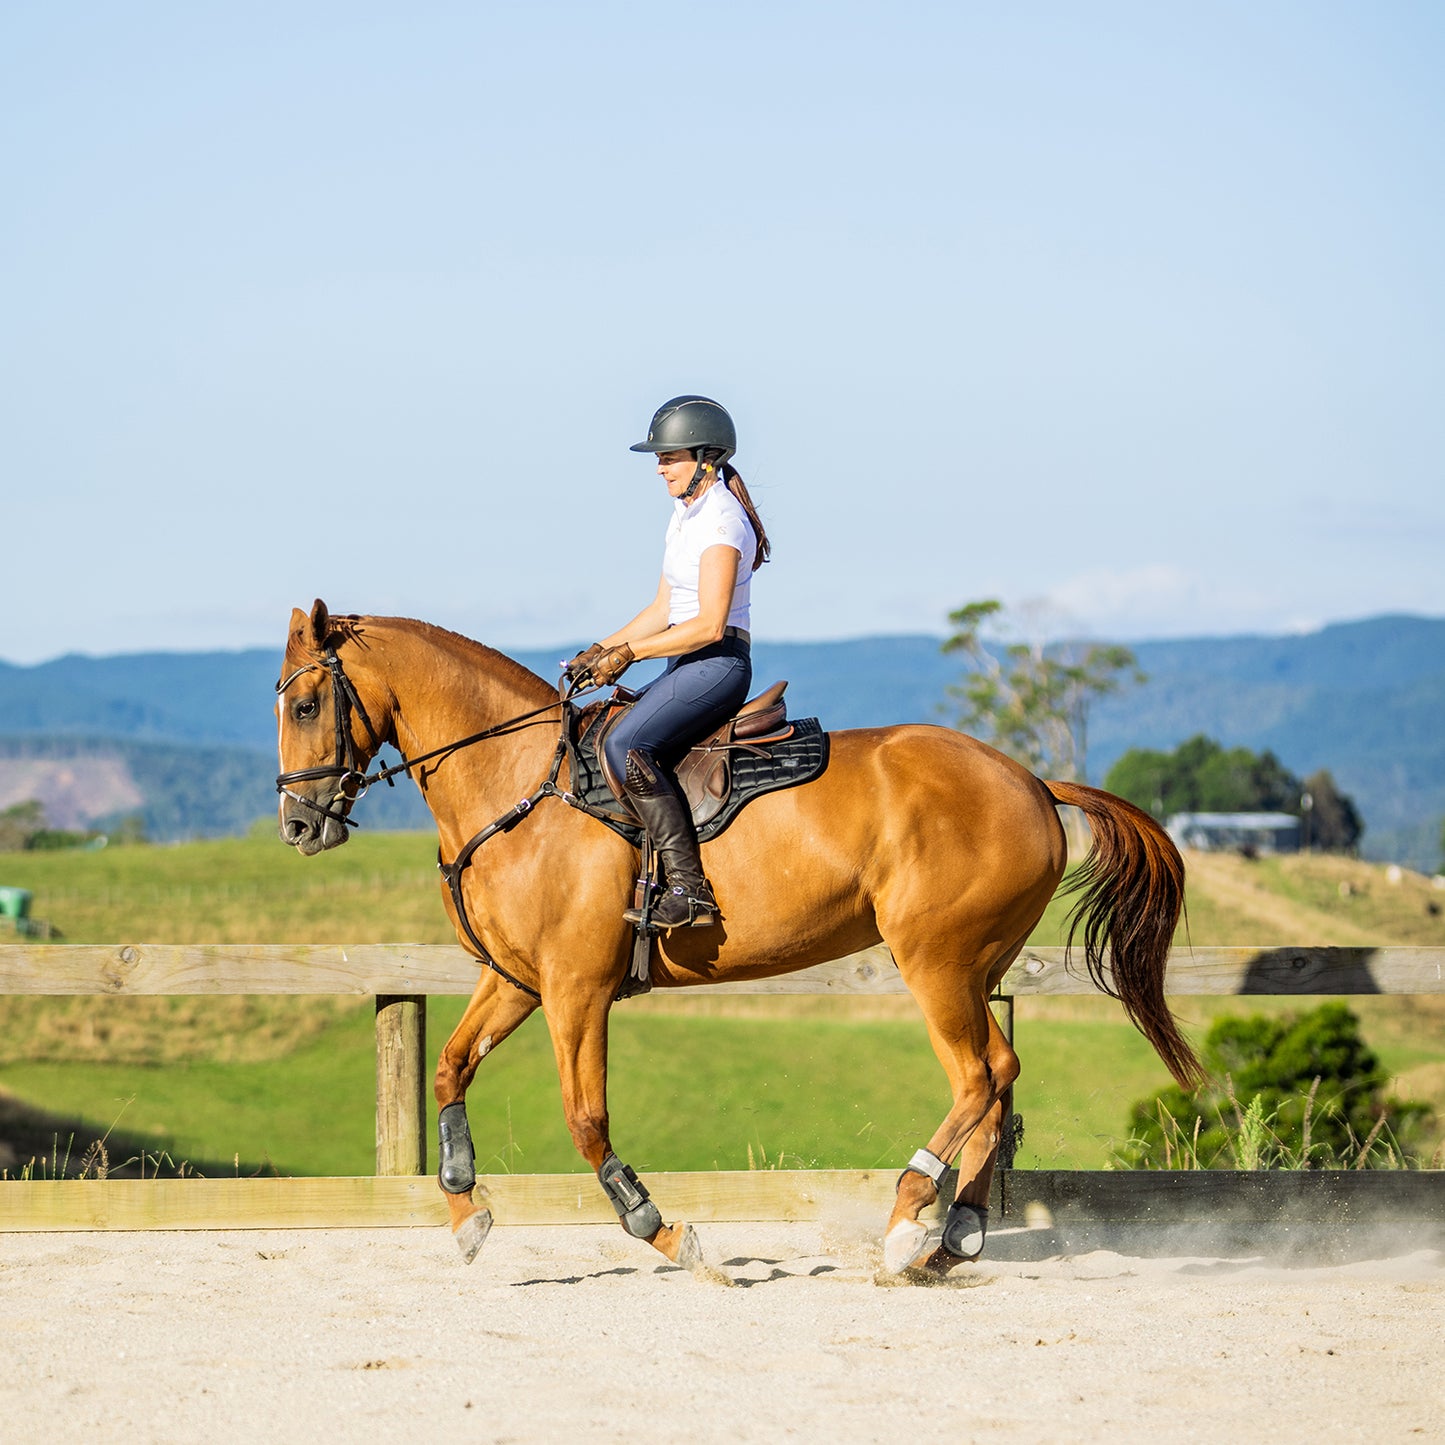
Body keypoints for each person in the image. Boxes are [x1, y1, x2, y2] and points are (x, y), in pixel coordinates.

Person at [566, 395, 771, 930]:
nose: (660, 469)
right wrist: (601, 649)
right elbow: (662, 609)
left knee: (625, 744)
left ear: (707, 458)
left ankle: (689, 888)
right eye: (659, 459)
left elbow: (706, 624)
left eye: (670, 458)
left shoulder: (722, 521)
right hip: (685, 663)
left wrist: (629, 655)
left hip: (716, 662)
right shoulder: (684, 516)